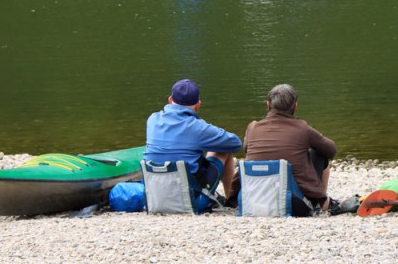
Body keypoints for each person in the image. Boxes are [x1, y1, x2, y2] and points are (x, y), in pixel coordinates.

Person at [242, 83, 339, 215]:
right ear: (295, 106)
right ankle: (321, 203)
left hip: (255, 198)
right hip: (294, 203)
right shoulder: (302, 129)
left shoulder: (252, 127)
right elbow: (331, 150)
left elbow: (246, 149)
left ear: (268, 105)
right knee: (318, 153)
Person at [144, 78, 241, 210]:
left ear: (170, 100)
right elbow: (235, 143)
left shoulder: (152, 119)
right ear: (198, 104)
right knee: (223, 148)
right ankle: (231, 201)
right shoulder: (197, 127)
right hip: (191, 203)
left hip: (155, 199)